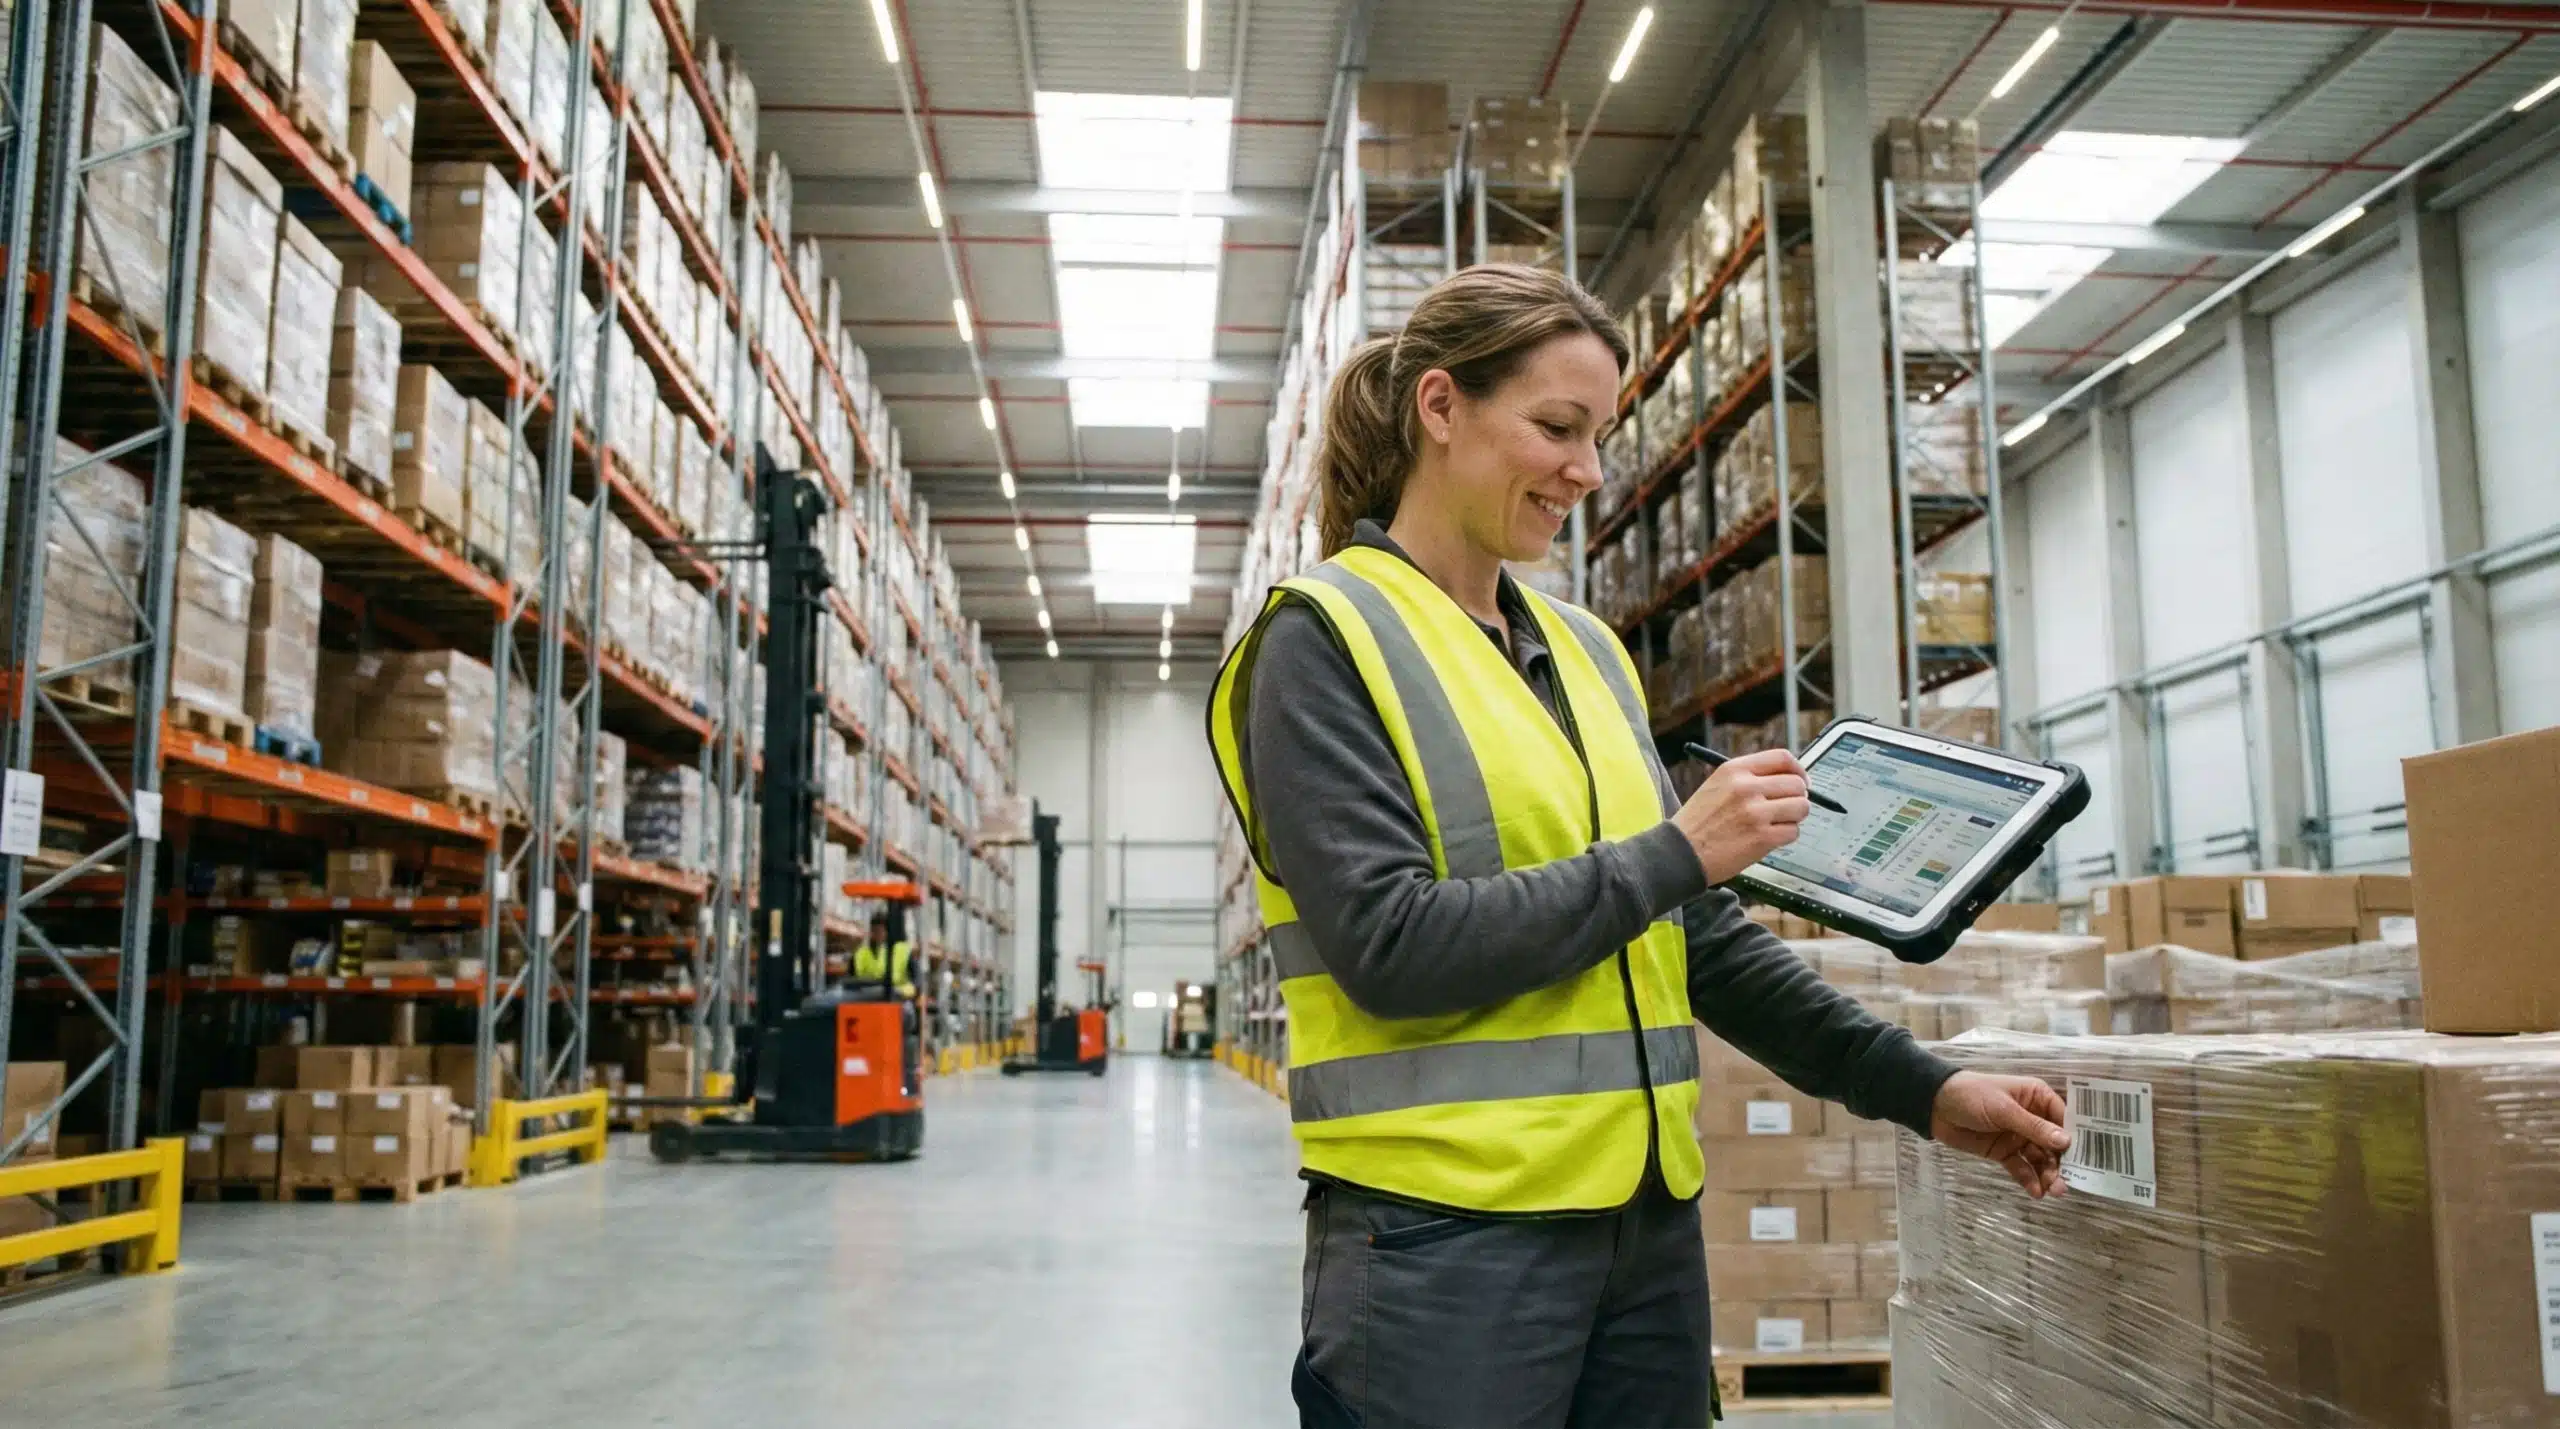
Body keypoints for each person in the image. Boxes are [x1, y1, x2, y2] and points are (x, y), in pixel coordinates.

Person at [1204, 264, 2071, 1429]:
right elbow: (1388, 945)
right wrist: (1675, 851)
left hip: (1644, 1237)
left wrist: (1922, 1089)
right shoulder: (1323, 640)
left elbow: (1692, 939)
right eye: (1556, 427)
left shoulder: (1586, 651)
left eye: (1598, 434)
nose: (1588, 471)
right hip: (1440, 1246)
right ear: (1441, 408)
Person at [851, 913, 915, 999]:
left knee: (907, 1010)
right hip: (869, 997)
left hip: (898, 997)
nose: (878, 934)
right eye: (874, 931)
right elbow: (852, 979)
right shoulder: (861, 953)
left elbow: (915, 981)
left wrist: (903, 991)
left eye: (880, 931)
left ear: (887, 932)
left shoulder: (902, 950)